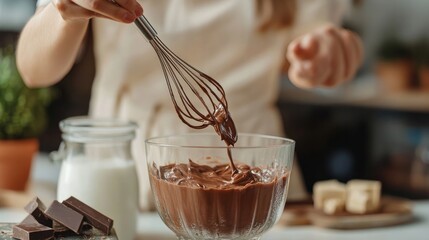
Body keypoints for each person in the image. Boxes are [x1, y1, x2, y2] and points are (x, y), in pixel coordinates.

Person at [16, 0, 363, 210]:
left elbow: (315, 37)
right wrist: (65, 13)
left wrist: (326, 53)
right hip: (120, 164)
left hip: (252, 174)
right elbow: (34, 69)